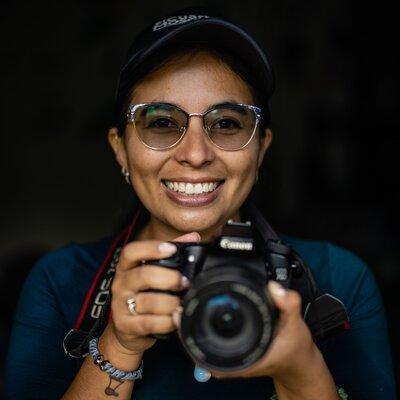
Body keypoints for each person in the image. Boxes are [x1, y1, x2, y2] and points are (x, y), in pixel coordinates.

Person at [4, 7, 397, 400]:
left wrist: (300, 370)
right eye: (161, 122)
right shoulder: (61, 282)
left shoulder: (338, 284)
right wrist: (118, 345)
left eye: (226, 123)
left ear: (261, 150)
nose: (195, 154)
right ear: (120, 149)